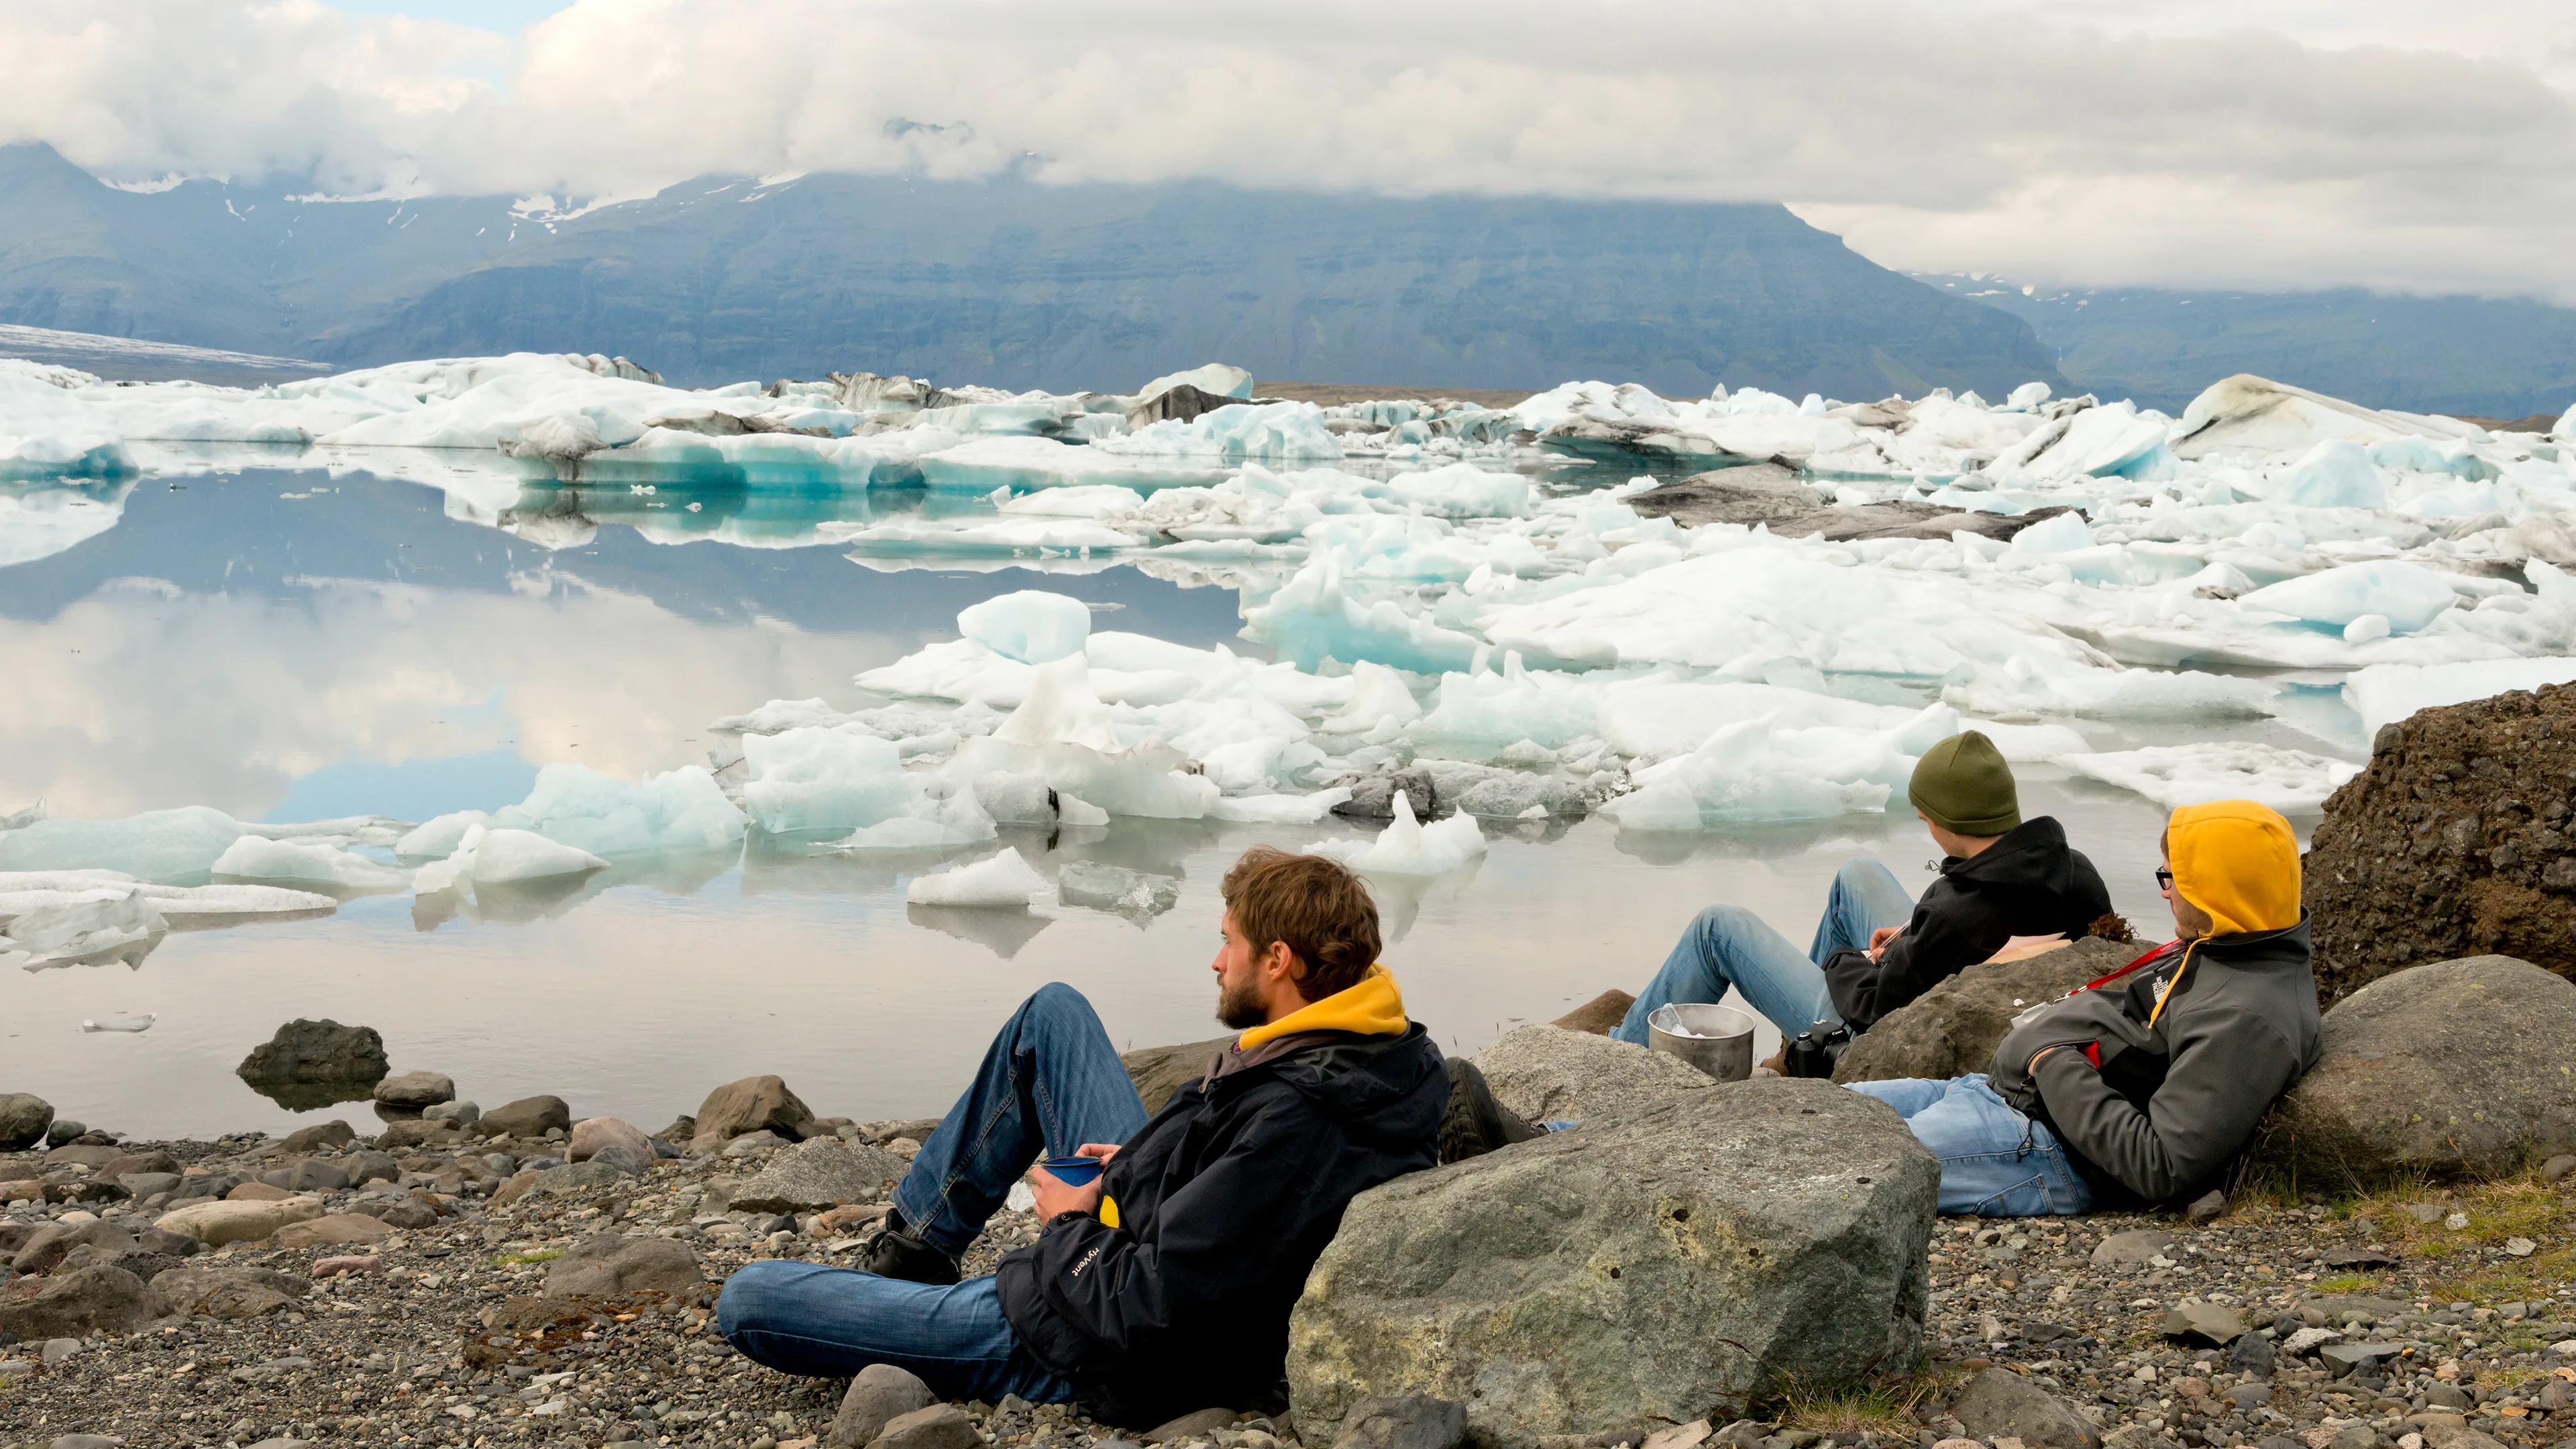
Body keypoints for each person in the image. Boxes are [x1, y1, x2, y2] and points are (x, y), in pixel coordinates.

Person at [715, 847, 1448, 1428]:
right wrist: (1138, 1164)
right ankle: (914, 1251)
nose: (1218, 961)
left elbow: (1148, 1305)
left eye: (1230, 943)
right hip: (1142, 1225)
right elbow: (1232, 1190)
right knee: (1054, 1014)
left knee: (748, 1299)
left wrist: (1067, 1223)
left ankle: (920, 1310)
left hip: (1085, 1341)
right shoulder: (1375, 1043)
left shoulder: (1297, 1117)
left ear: (1280, 960)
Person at [1845, 798, 2322, 1215]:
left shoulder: (2245, 1019)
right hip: (1995, 1095)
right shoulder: (2232, 943)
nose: (2165, 891)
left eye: (2175, 878)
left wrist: (2051, 1063)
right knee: (1819, 1116)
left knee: (1831, 1164)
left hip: (2039, 1145)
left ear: (2224, 888)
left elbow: (2163, 1167)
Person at [1612, 729, 2113, 1051]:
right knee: (1858, 872)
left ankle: (1621, 1055)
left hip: (1872, 1034)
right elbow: (1973, 937)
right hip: (1968, 976)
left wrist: (1849, 960)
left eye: (1926, 810)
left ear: (1947, 818)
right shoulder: (2074, 870)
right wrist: (1914, 937)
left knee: (1716, 927)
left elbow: (1874, 1008)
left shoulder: (1958, 914)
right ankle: (1796, 1051)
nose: (1920, 817)